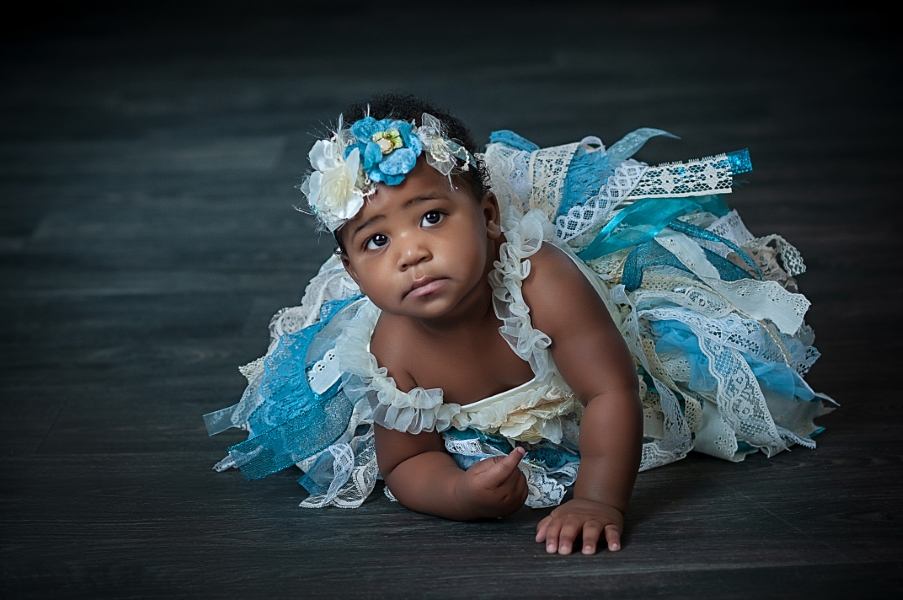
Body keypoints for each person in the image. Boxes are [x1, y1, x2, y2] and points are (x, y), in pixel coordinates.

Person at [204, 93, 832, 555]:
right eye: (375, 241)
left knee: (680, 394)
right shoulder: (389, 348)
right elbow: (405, 462)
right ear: (352, 268)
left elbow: (607, 391)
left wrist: (595, 497)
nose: (410, 253)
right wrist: (457, 496)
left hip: (615, 385)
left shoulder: (541, 283)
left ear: (489, 216)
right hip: (502, 439)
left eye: (430, 218)